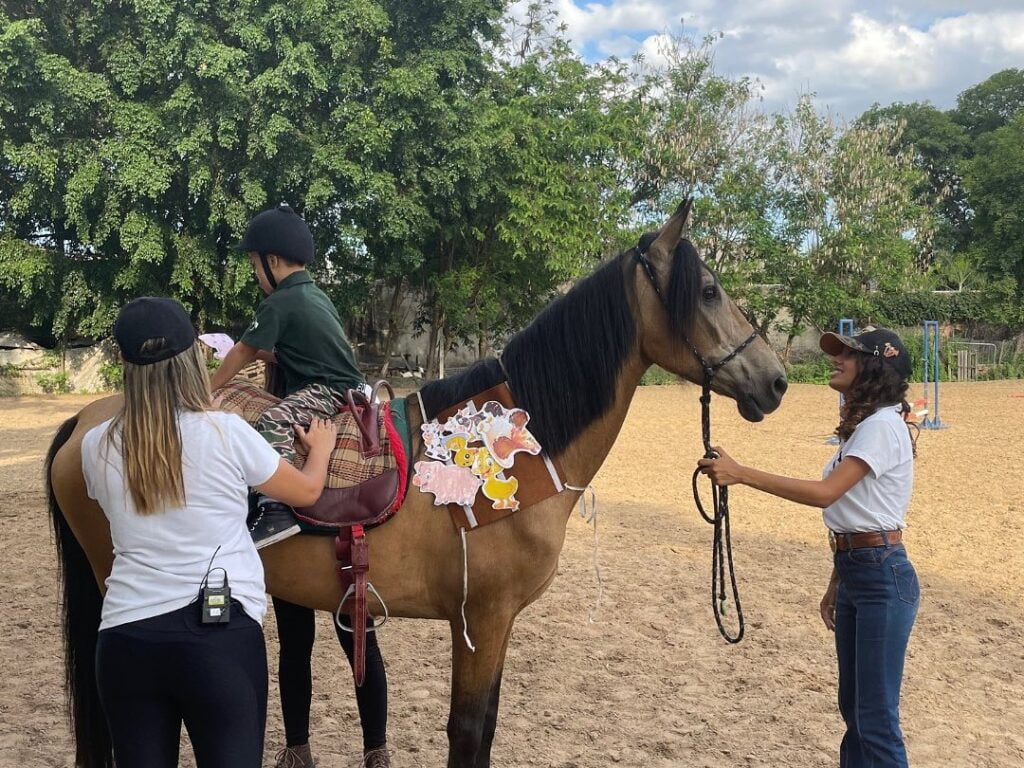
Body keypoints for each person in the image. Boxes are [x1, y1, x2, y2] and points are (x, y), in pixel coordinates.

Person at [81, 297, 337, 768]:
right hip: (217, 641)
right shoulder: (226, 431)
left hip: (124, 640)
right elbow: (304, 492)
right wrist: (319, 448)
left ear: (124, 363)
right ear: (193, 360)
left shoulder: (96, 445)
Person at [209, 204, 391, 768]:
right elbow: (270, 351)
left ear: (271, 261)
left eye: (254, 265)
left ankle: (276, 510)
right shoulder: (313, 297)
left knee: (269, 426)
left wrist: (200, 389)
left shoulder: (282, 300)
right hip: (350, 391)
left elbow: (242, 353)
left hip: (327, 394)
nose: (253, 275)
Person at [698, 325, 921, 768]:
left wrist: (743, 474)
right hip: (864, 569)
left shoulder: (881, 427)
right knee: (857, 712)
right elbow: (860, 511)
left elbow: (826, 494)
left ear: (875, 367)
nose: (835, 360)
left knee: (874, 719)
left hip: (879, 575)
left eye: (849, 355)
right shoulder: (869, 428)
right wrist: (839, 580)